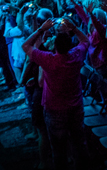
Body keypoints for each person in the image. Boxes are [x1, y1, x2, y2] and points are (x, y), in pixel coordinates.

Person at [22, 17, 90, 170]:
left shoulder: (48, 59)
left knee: (58, 148)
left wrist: (41, 29)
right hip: (76, 107)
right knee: (79, 142)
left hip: (54, 109)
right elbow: (85, 41)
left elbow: (26, 45)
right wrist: (74, 28)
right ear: (70, 46)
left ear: (55, 47)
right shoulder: (76, 55)